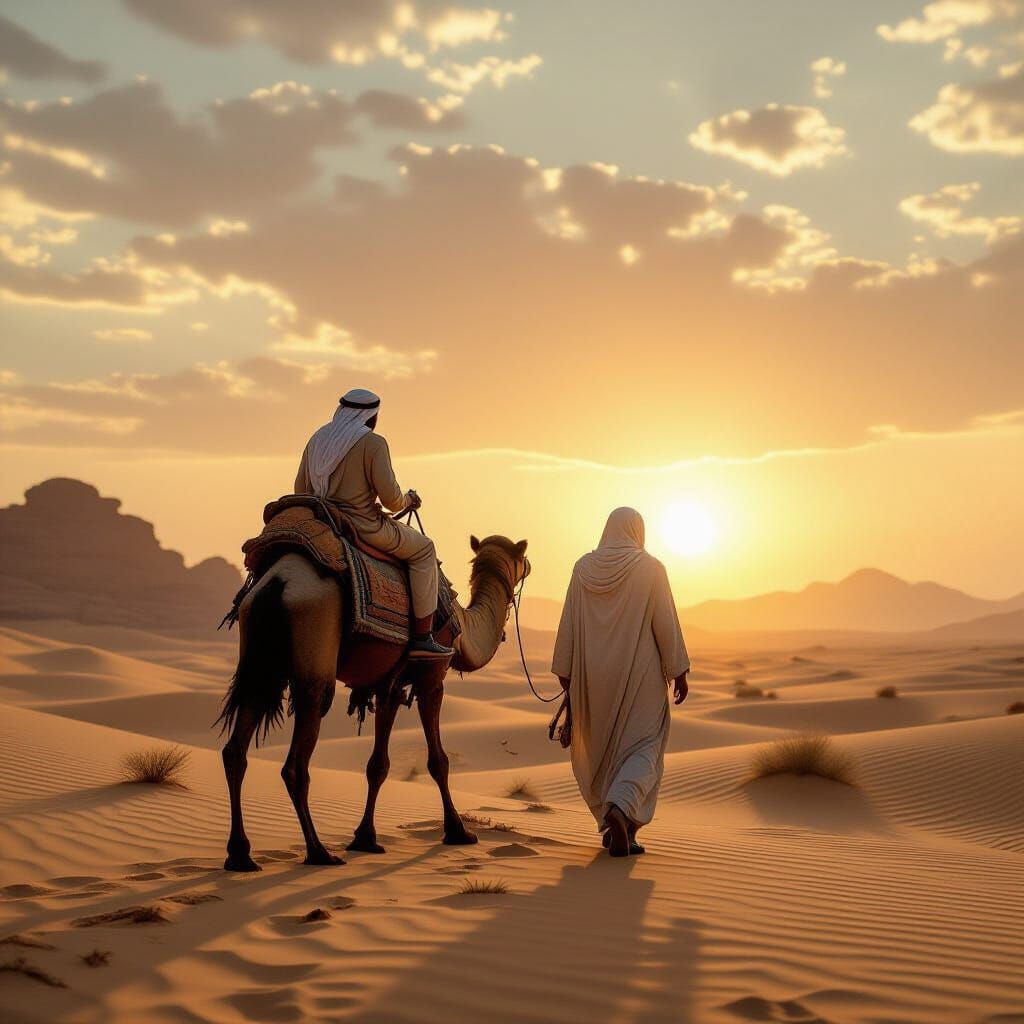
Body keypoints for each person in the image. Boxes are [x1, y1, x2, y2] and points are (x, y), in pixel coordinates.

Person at [552, 507, 690, 856]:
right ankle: (620, 809)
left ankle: (622, 830)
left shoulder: (583, 568)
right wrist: (679, 671)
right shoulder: (651, 568)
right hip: (640, 676)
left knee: (607, 748)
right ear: (636, 531)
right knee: (645, 745)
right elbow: (666, 624)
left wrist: (566, 674)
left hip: (591, 678)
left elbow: (568, 620)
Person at [294, 388, 452, 660]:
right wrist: (409, 499)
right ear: (371, 416)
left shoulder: (317, 439)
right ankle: (422, 637)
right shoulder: (374, 443)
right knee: (425, 549)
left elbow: (300, 490)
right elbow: (391, 499)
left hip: (322, 522)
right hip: (362, 525)